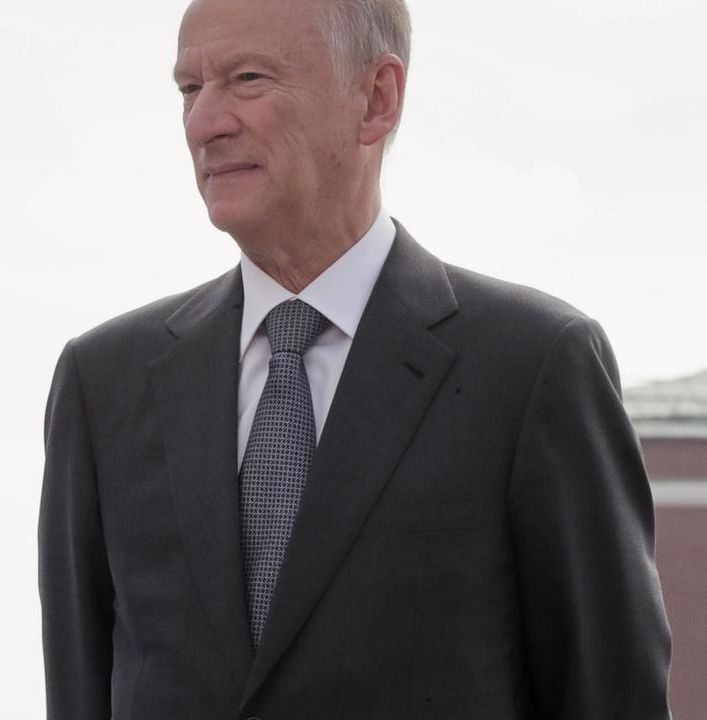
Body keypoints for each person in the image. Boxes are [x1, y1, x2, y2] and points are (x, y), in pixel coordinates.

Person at [37, 0, 673, 717]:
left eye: (247, 78)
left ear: (377, 99)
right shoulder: (102, 384)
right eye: (190, 88)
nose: (204, 123)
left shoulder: (534, 367)